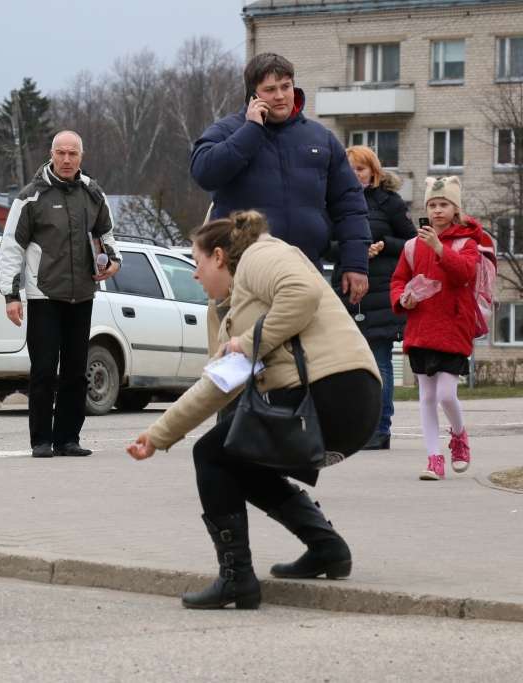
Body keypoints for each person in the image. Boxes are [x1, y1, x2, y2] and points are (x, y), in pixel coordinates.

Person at [127, 210, 381, 611]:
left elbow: (302, 293)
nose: (195, 274)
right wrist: (158, 435)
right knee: (238, 458)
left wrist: (246, 343)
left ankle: (236, 579)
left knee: (212, 454)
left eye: (197, 262)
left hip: (334, 391)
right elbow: (220, 383)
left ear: (218, 256)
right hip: (337, 403)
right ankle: (326, 548)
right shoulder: (229, 311)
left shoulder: (260, 255)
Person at [190, 53, 370, 306]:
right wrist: (251, 131)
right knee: (246, 334)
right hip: (242, 271)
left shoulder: (321, 138)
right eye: (270, 89)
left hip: (305, 267)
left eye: (286, 87)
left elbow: (349, 205)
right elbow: (204, 173)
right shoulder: (227, 131)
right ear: (253, 95)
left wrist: (355, 263)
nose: (280, 96)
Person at [0, 130, 121, 458]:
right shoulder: (30, 196)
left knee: (76, 372)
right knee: (43, 370)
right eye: (61, 153)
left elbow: (106, 234)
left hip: (82, 295)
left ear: (81, 156)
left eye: (72, 154)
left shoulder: (93, 193)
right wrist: (11, 295)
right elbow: (11, 247)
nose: (66, 159)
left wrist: (113, 260)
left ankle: (68, 439)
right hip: (44, 296)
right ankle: (41, 440)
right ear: (51, 154)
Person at [390, 177, 482, 481]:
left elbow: (464, 274)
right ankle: (434, 458)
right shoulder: (412, 246)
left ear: (455, 209)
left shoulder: (467, 242)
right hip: (421, 328)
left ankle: (459, 435)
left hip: (453, 328)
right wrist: (403, 299)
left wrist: (440, 249)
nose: (437, 210)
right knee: (427, 397)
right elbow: (398, 280)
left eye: (444, 204)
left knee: (445, 394)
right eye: (432, 205)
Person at [331, 146, 416, 450]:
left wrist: (383, 245)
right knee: (348, 366)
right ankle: (354, 428)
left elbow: (412, 243)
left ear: (374, 172)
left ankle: (380, 429)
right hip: (346, 293)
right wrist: (352, 251)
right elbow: (325, 245)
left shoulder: (389, 202)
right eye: (349, 169)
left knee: (380, 362)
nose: (355, 175)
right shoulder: (335, 202)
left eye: (361, 169)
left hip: (381, 293)